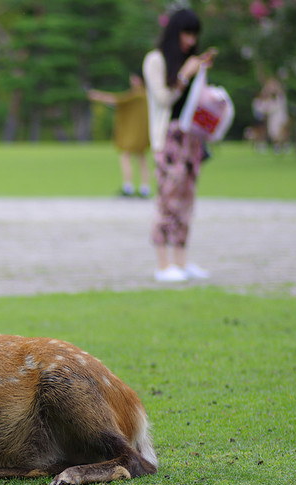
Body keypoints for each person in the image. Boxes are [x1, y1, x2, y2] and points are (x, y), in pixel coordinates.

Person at [143, 8, 217, 283]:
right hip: (169, 139)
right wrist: (184, 77)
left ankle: (181, 262)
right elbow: (163, 98)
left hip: (191, 139)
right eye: (186, 33)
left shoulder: (193, 61)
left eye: (194, 34)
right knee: (167, 200)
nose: (190, 40)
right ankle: (163, 265)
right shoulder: (156, 60)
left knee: (187, 202)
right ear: (175, 33)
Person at [88, 72, 152, 198]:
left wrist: (99, 96)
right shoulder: (147, 95)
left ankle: (128, 187)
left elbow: (118, 100)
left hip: (132, 133)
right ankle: (145, 188)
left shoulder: (137, 95)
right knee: (142, 159)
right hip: (143, 133)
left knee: (126, 156)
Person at [252, 77, 289, 153]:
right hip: (272, 118)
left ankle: (283, 145)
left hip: (280, 116)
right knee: (273, 132)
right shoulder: (268, 98)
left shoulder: (280, 97)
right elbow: (264, 107)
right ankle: (277, 146)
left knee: (280, 132)